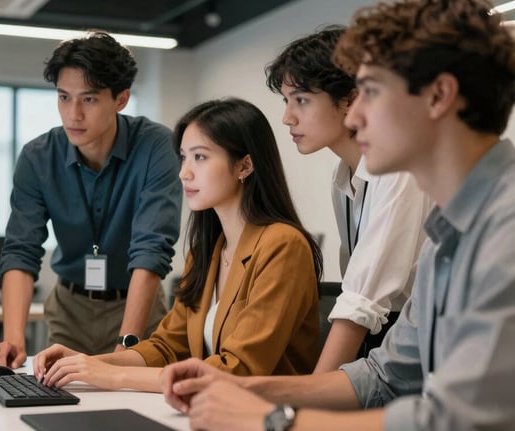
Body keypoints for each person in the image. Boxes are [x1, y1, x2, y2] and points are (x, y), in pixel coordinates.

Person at [159, 1, 515, 430]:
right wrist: (249, 389)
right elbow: (384, 374)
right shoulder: (446, 233)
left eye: (371, 93)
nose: (356, 115)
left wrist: (277, 420)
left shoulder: (505, 228)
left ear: (438, 96)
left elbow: (459, 420)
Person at [30, 98, 322, 392]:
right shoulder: (207, 251)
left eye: (200, 157)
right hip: (210, 413)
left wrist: (110, 376)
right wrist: (86, 362)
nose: (184, 172)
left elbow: (240, 369)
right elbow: (167, 347)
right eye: (183, 157)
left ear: (244, 165)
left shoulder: (283, 245)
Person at [0, 31, 182, 367]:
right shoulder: (37, 157)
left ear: (120, 99)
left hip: (136, 307)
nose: (73, 114)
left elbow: (152, 248)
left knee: (141, 409)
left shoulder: (156, 146)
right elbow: (21, 249)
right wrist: (13, 337)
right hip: (69, 308)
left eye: (88, 99)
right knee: (59, 405)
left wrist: (128, 343)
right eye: (63, 97)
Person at [265, 25, 432, 373]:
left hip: (428, 348)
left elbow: (363, 301)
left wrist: (313, 398)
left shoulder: (399, 169)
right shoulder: (344, 177)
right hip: (384, 342)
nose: (287, 117)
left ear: (351, 99)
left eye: (302, 100)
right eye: (286, 100)